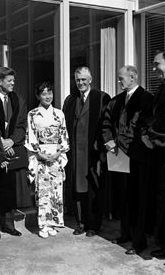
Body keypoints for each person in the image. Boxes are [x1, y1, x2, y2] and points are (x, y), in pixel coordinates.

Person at [102, 65, 153, 255]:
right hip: (117, 154)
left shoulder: (145, 98)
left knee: (136, 198)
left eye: (121, 78)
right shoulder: (116, 101)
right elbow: (106, 122)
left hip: (136, 155)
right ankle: (125, 234)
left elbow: (145, 126)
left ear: (132, 77)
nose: (119, 81)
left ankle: (139, 241)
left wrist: (128, 144)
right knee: (123, 196)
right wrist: (108, 141)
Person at [0, 67, 31, 239]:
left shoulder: (18, 99)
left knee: (10, 189)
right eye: (9, 80)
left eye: (13, 80)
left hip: (11, 148)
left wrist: (11, 140)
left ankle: (8, 224)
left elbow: (21, 124)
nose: (13, 83)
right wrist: (1, 142)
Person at [141, 49, 165, 267]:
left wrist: (151, 135)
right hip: (162, 150)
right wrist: (147, 132)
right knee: (163, 198)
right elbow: (156, 115)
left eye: (157, 64)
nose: (154, 68)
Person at [63, 66, 111, 237]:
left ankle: (93, 225)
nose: (81, 83)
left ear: (90, 79)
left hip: (93, 153)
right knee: (77, 189)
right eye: (78, 80)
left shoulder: (101, 97)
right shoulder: (69, 100)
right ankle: (81, 222)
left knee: (93, 189)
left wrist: (102, 151)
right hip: (75, 154)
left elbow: (107, 124)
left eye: (84, 79)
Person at [25, 82, 69, 238]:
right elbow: (30, 136)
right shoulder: (33, 114)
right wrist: (39, 154)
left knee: (56, 191)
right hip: (41, 155)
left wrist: (58, 153)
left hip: (56, 154)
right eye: (43, 94)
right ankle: (43, 224)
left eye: (49, 93)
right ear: (38, 96)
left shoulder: (59, 114)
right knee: (43, 191)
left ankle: (53, 222)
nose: (47, 96)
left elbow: (63, 135)